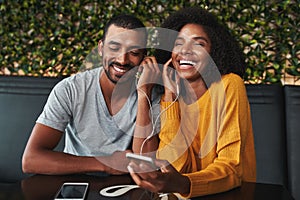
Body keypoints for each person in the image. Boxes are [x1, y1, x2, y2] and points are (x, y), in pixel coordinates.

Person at [128, 7, 256, 198]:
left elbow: (232, 168)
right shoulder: (171, 98)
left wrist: (185, 183)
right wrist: (170, 96)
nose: (185, 51)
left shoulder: (229, 85)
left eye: (199, 44)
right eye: (179, 43)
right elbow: (174, 167)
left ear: (214, 53)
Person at [22, 14, 161, 175]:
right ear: (101, 48)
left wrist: (144, 94)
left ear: (144, 57)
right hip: (75, 184)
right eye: (114, 48)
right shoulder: (70, 89)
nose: (123, 60)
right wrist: (106, 163)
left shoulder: (152, 93)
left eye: (134, 52)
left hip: (127, 186)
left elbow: (146, 167)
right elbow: (31, 160)